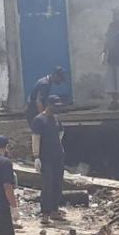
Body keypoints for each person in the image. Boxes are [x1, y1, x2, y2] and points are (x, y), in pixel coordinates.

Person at [31, 94, 66, 223]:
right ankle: (45, 213)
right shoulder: (39, 120)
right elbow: (36, 138)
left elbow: (61, 133)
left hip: (58, 155)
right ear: (48, 105)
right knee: (47, 185)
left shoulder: (56, 119)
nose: (56, 109)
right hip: (45, 157)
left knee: (57, 184)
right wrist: (36, 156)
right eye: (54, 106)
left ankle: (54, 211)